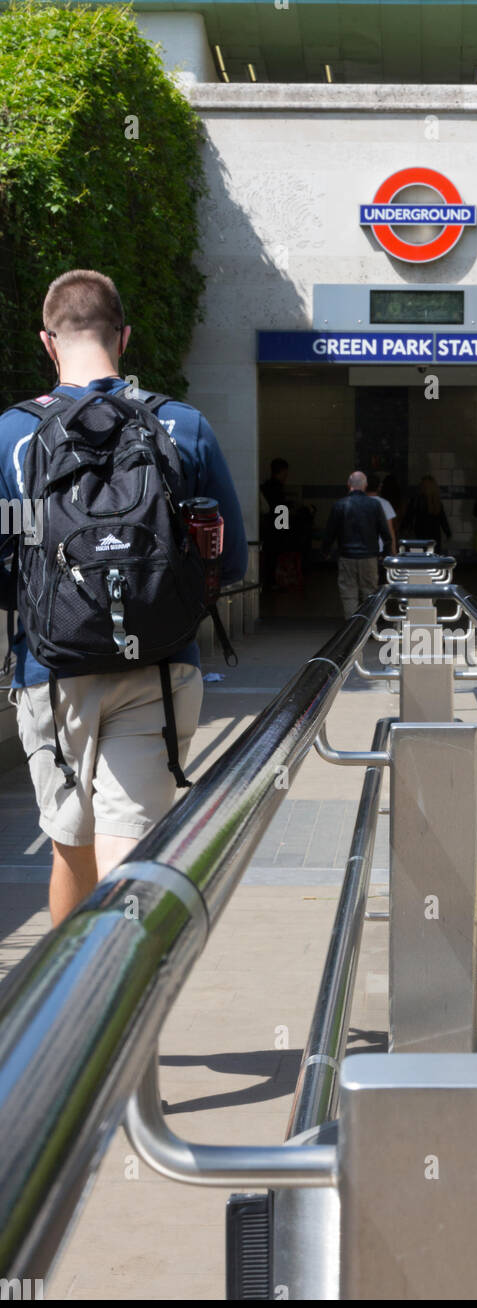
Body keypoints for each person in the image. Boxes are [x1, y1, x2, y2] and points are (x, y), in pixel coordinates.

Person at [0, 269, 247, 926]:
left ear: (48, 343)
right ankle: (130, 1013)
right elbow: (233, 556)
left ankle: (69, 1025)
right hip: (162, 667)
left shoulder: (12, 435)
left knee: (70, 849)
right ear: (126, 337)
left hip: (50, 673)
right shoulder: (181, 424)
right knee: (131, 851)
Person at [321, 470, 391, 618]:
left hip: (347, 556)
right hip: (369, 557)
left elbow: (330, 532)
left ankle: (351, 630)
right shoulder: (375, 505)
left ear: (348, 485)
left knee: (349, 594)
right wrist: (385, 553)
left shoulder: (340, 505)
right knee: (370, 594)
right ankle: (367, 627)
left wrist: (325, 550)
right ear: (365, 485)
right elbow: (385, 533)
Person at [260, 457, 290, 589]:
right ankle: (272, 582)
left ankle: (267, 581)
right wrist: (283, 528)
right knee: (273, 556)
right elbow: (281, 509)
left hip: (266, 525)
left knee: (267, 556)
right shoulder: (278, 489)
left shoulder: (265, 486)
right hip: (275, 528)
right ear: (282, 471)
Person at [403, 475, 452, 552]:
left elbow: (408, 517)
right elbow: (443, 519)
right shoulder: (436, 502)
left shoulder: (417, 501)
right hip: (435, 535)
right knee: (434, 557)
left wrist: (403, 529)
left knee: (422, 558)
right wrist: (448, 533)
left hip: (420, 534)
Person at [366, 473, 397, 558]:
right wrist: (393, 550)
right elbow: (390, 529)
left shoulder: (358, 504)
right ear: (380, 487)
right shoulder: (385, 504)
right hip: (381, 548)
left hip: (363, 549)